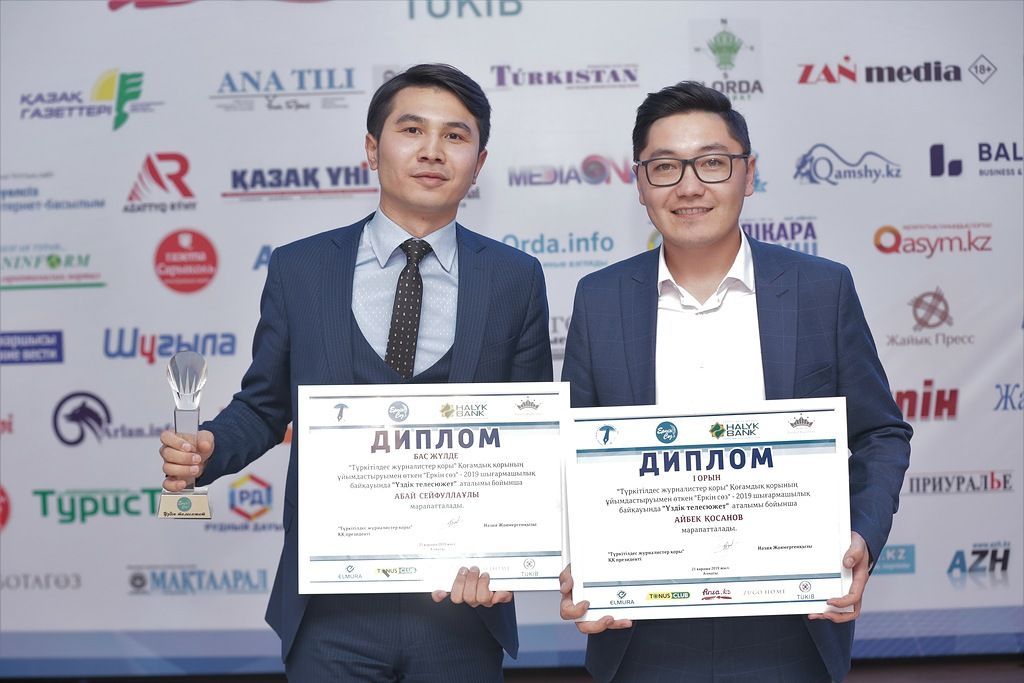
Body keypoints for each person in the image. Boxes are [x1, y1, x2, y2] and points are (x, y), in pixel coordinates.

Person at [158, 64, 552, 682]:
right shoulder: (302, 269)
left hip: (460, 609)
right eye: (411, 130)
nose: (432, 150)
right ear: (372, 148)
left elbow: (530, 437)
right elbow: (264, 406)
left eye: (455, 136)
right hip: (331, 612)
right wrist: (210, 446)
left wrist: (510, 558)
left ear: (478, 164)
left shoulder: (514, 278)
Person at [558, 81, 912, 683]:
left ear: (749, 174)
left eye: (713, 163)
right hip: (643, 631)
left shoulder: (820, 289)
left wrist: (863, 536)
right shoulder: (600, 298)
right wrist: (579, 562)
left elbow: (880, 433)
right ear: (640, 183)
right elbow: (572, 455)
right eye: (665, 167)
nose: (689, 186)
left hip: (791, 625)